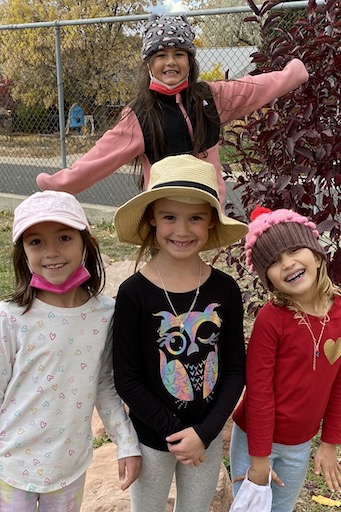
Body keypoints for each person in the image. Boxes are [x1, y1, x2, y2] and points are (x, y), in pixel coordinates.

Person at [36, 13, 309, 204]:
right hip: (164, 214)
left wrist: (291, 74)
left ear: (190, 60)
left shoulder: (211, 97)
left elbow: (254, 88)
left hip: (207, 210)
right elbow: (100, 159)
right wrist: (62, 185)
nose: (171, 62)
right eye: (161, 55)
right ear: (148, 64)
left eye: (179, 54)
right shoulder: (140, 115)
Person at [112, 154, 247, 512]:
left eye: (195, 218)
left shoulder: (225, 291)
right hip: (152, 439)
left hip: (208, 437)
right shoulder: (133, 294)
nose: (182, 230)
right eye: (170, 216)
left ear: (210, 224)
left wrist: (204, 433)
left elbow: (234, 369)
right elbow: (126, 378)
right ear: (152, 218)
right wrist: (175, 433)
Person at [0, 191, 141, 511]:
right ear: (21, 251)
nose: (51, 252)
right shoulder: (9, 317)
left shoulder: (105, 313)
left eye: (64, 237)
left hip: (69, 467)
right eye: (35, 241)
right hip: (10, 467)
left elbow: (105, 383)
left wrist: (126, 443)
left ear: (86, 243)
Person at [230, 205, 341, 512]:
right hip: (256, 440)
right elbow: (260, 391)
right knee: (251, 507)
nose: (288, 263)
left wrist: (329, 443)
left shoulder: (340, 313)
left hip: (300, 444)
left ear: (317, 256)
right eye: (275, 262)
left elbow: (338, 385)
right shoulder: (272, 319)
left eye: (294, 250)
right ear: (269, 280)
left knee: (282, 508)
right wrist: (260, 459)